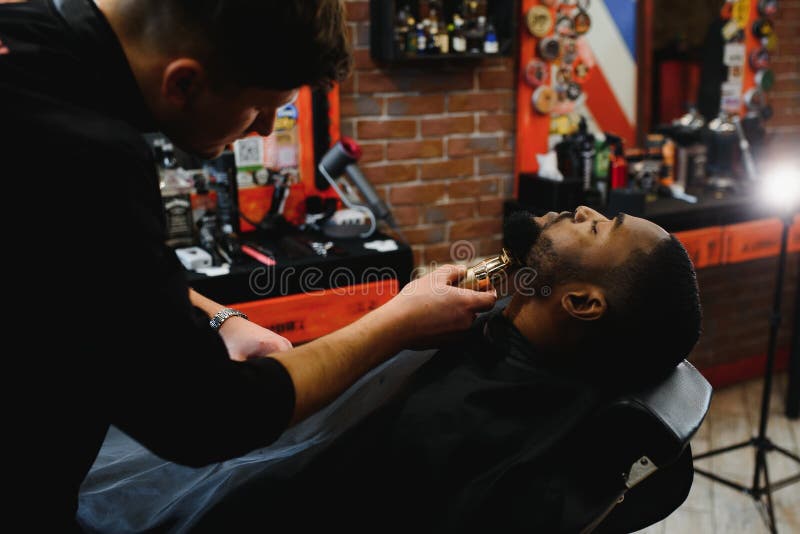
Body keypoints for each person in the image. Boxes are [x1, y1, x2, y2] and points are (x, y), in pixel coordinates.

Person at [0, 1, 496, 530]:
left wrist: (221, 318)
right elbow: (206, 416)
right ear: (184, 83)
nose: (263, 130)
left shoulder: (26, 38)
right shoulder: (87, 152)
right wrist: (399, 321)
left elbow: (74, 260)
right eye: (263, 109)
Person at [78, 206, 703, 533]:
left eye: (600, 227)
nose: (583, 209)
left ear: (583, 303)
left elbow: (247, 441)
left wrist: (397, 322)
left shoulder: (464, 421)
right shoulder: (486, 349)